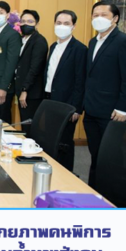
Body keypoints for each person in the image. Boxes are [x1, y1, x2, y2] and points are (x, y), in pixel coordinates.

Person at [84, 0, 126, 187]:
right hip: (91, 109)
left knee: (112, 156)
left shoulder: (125, 41)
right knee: (95, 154)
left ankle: (114, 193)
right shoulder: (93, 42)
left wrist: (123, 108)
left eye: (104, 15)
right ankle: (94, 190)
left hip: (112, 112)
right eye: (95, 15)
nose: (98, 18)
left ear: (115, 18)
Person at [44, 10, 87, 172]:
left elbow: (80, 80)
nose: (61, 26)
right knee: (50, 138)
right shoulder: (53, 46)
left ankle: (66, 173)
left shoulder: (79, 49)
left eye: (66, 23)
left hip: (67, 103)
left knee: (65, 141)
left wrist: (76, 107)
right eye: (59, 23)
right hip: (50, 99)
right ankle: (52, 170)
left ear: (73, 26)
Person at [10, 9, 48, 136]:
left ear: (36, 24)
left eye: (30, 21)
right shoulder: (23, 39)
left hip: (32, 93)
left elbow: (34, 68)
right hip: (22, 90)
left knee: (30, 127)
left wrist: (25, 90)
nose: (26, 24)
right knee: (25, 125)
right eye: (23, 21)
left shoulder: (39, 41)